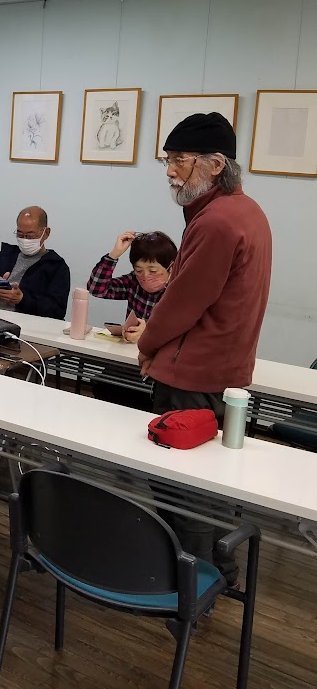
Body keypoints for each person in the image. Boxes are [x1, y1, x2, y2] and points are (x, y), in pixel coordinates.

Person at [138, 112, 272, 585]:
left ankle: (195, 585)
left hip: (191, 372)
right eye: (168, 160)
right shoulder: (247, 210)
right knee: (206, 484)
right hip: (223, 369)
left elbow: (183, 300)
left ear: (216, 165)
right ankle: (217, 570)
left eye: (180, 160)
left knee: (182, 488)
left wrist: (147, 344)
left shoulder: (216, 221)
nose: (171, 171)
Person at [0, 206, 70, 319]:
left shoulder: (56, 266)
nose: (24, 240)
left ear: (46, 233)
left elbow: (57, 311)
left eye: (30, 236)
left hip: (26, 324)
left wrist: (22, 300)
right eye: (20, 235)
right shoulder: (4, 256)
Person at [87, 231, 178, 343]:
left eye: (153, 271)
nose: (145, 276)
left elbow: (183, 331)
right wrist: (114, 255)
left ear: (171, 267)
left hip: (162, 350)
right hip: (130, 349)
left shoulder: (180, 291)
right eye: (139, 270)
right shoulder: (133, 281)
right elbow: (96, 289)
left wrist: (150, 332)